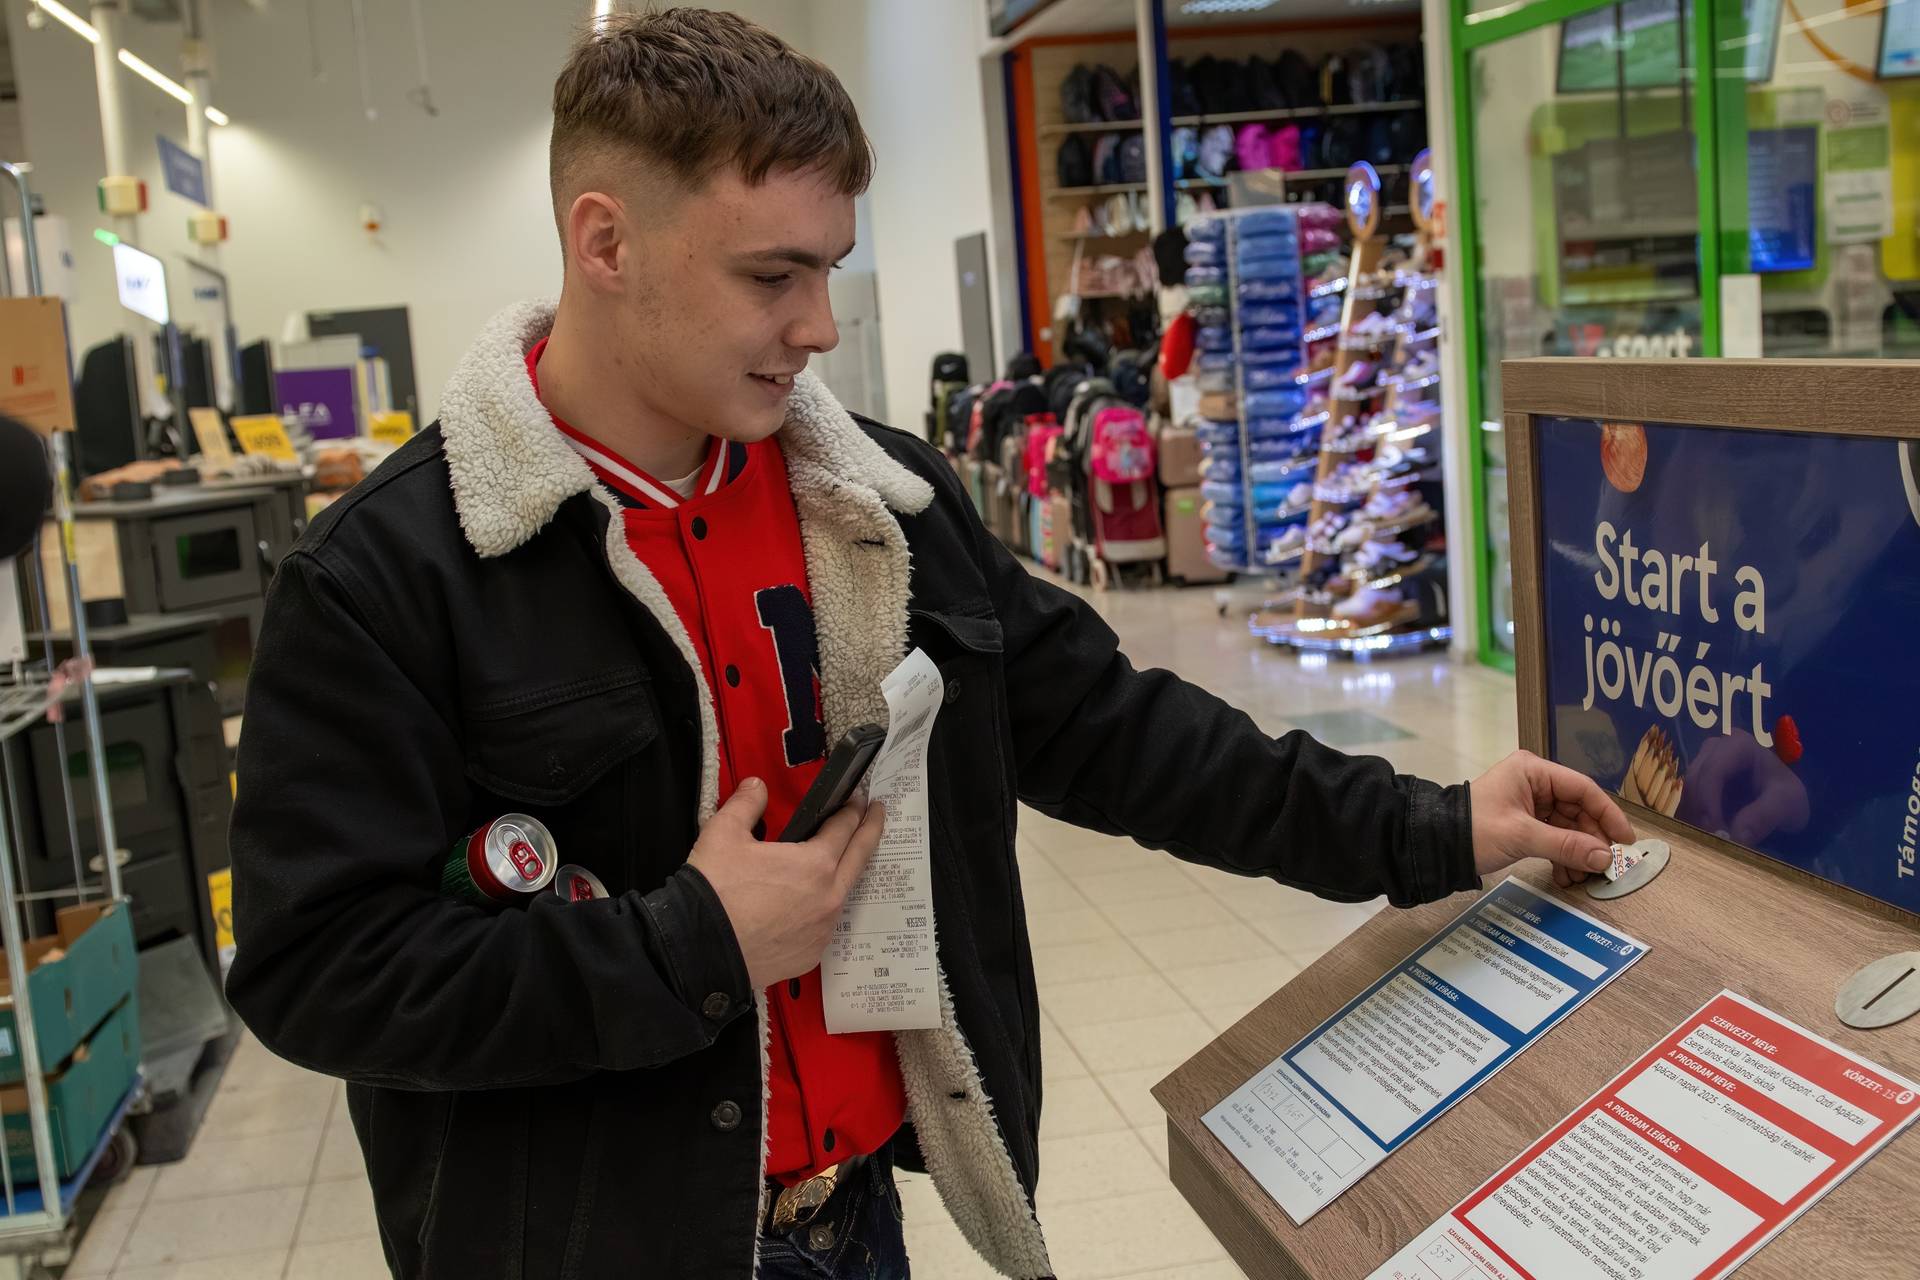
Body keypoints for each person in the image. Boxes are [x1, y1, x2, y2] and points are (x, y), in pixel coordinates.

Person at [224, 10, 1633, 1279]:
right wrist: (691, 946)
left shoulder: (875, 508)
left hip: (855, 1230)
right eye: (774, 274)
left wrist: (1435, 824)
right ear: (606, 243)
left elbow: (1116, 731)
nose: (818, 326)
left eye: (830, 268)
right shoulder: (391, 580)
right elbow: (318, 970)